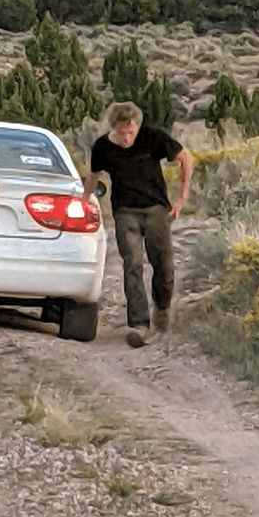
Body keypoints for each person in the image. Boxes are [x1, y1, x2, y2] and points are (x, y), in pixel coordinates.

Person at [84, 101, 193, 347]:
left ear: (138, 126)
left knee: (164, 266)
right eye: (121, 133)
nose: (126, 138)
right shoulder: (102, 146)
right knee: (132, 264)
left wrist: (182, 198)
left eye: (131, 132)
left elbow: (185, 158)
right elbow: (93, 176)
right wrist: (84, 202)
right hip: (125, 212)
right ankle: (139, 325)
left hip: (156, 210)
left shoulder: (152, 137)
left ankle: (162, 309)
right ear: (114, 128)